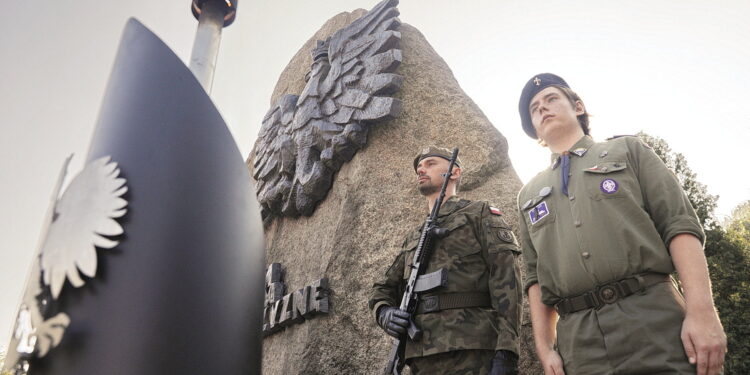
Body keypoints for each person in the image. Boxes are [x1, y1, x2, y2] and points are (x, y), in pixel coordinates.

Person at [516, 73, 727, 375]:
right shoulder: (529, 194)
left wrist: (702, 313)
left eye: (551, 99)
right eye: (534, 108)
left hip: (652, 318)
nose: (542, 108)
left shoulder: (628, 151)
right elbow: (535, 278)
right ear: (534, 129)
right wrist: (545, 347)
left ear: (577, 106)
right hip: (578, 342)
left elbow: (679, 226)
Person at [369, 146, 522, 375]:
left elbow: (507, 281)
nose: (422, 170)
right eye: (419, 167)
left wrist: (507, 351)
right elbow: (382, 289)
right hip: (420, 357)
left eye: (430, 164)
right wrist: (384, 313)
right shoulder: (414, 237)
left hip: (473, 350)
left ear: (454, 172)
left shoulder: (478, 214)